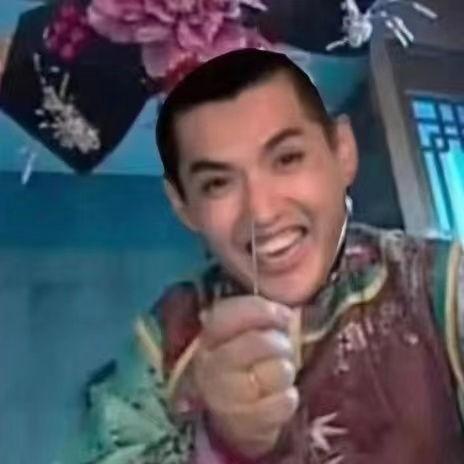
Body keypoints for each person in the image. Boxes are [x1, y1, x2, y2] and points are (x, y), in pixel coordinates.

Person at [60, 48, 464, 464]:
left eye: (287, 159)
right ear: (183, 206)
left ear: (342, 151)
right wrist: (220, 445)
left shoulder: (439, 285)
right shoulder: (167, 339)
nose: (262, 213)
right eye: (218, 184)